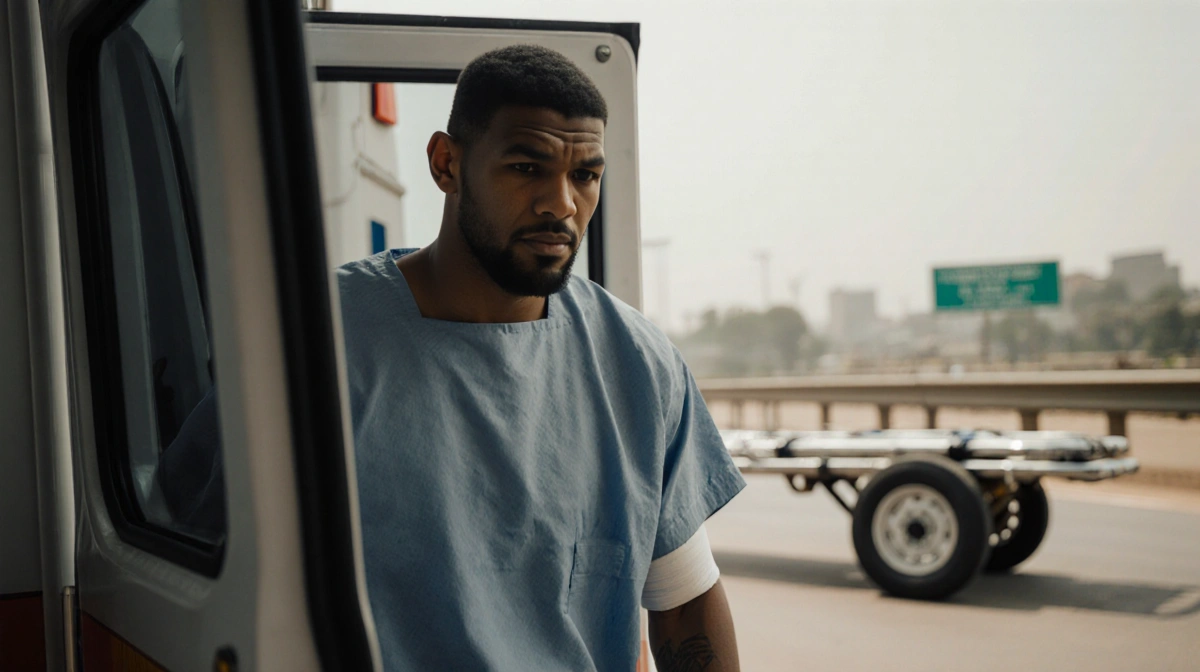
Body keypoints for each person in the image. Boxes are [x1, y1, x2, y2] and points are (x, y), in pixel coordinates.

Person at [337, 45, 746, 670]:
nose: (561, 203)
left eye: (585, 175)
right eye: (527, 166)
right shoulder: (323, 339)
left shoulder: (636, 365)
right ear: (447, 164)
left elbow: (684, 605)